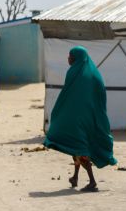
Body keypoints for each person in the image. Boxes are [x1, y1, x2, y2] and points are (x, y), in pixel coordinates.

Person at [43, 46, 117, 191]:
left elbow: (68, 95)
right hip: (89, 117)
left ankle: (92, 182)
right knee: (75, 146)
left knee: (79, 147)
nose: (68, 59)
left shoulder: (75, 72)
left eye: (71, 56)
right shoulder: (95, 74)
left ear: (77, 58)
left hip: (79, 118)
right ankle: (75, 177)